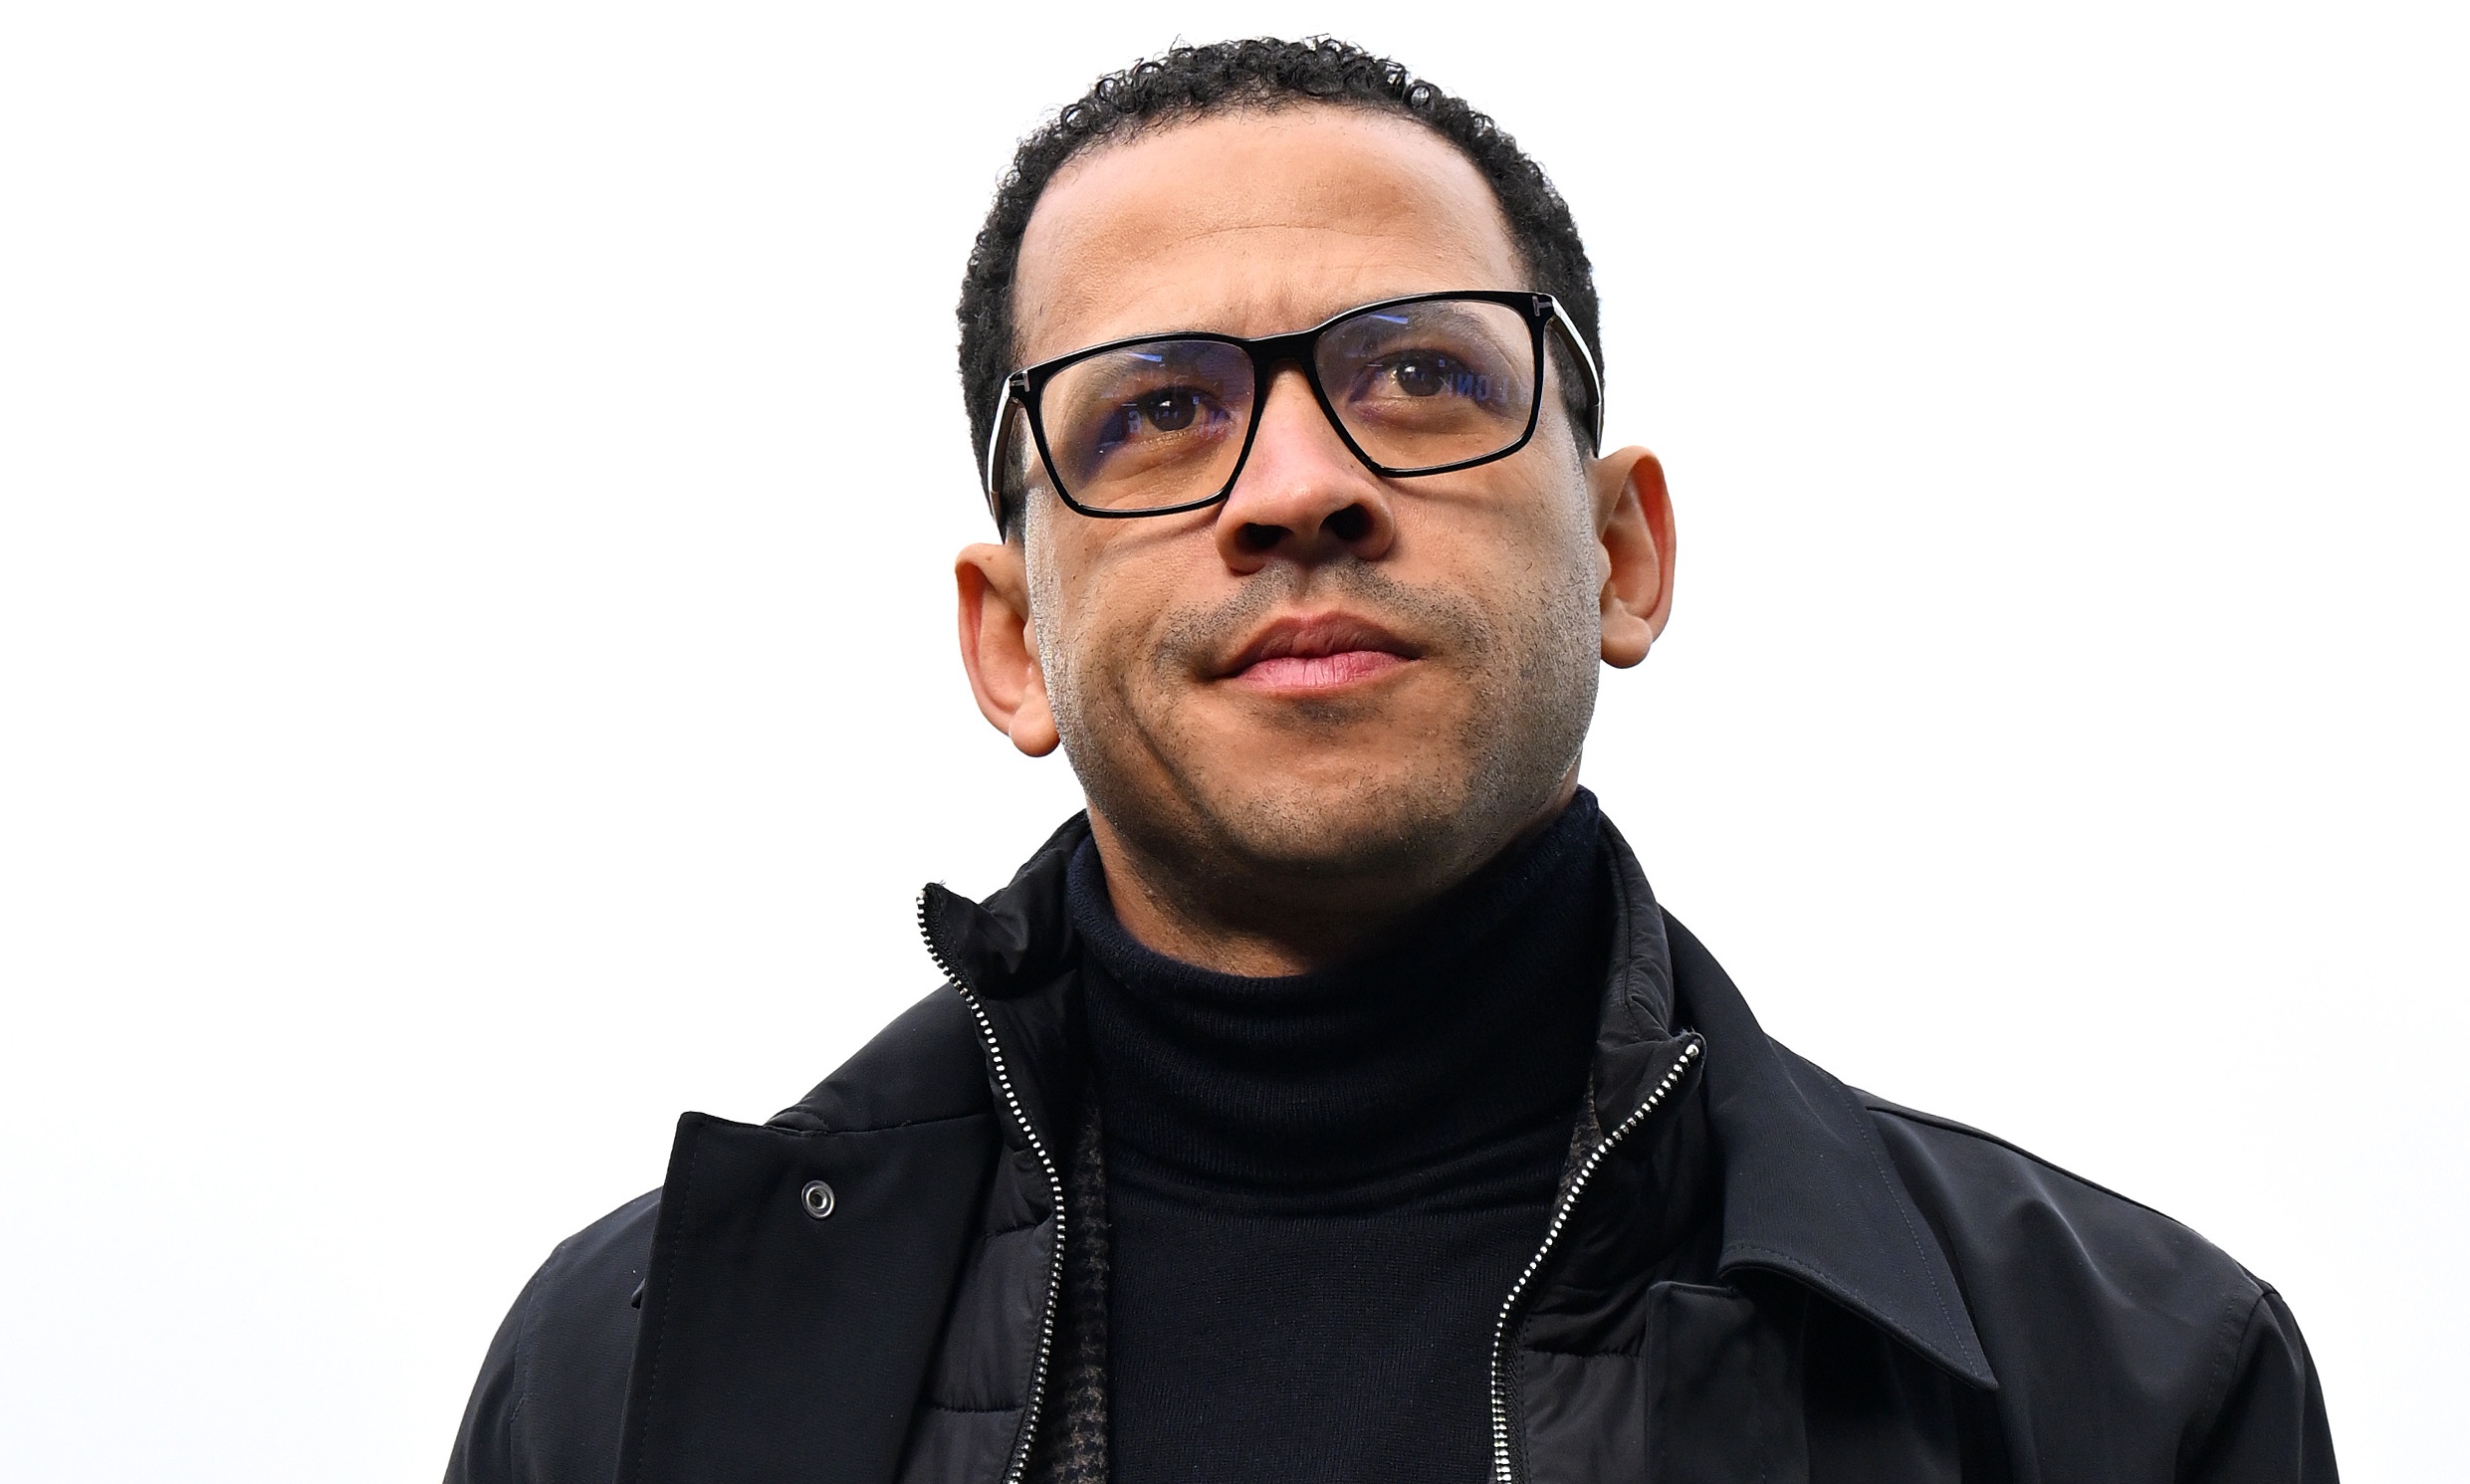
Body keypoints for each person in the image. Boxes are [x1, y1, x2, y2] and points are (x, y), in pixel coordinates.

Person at [446, 37, 2336, 1484]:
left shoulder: (2128, 1386)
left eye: (1422, 375)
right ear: (1011, 643)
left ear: (1623, 554)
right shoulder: (626, 1385)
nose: (1297, 487)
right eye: (1159, 410)